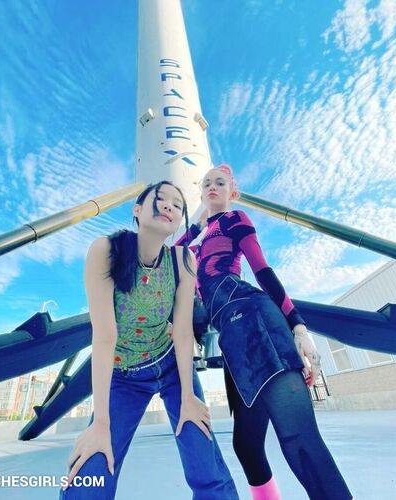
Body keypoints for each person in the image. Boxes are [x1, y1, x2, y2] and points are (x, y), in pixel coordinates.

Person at [176, 165, 353, 500]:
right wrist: (198, 221)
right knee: (246, 445)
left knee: (298, 438)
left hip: (254, 319)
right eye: (207, 183)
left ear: (233, 192)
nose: (212, 187)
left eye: (220, 183)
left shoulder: (235, 219)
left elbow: (263, 271)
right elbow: (171, 252)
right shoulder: (196, 242)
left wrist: (298, 326)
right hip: (231, 337)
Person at [60, 180, 239, 499]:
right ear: (138, 209)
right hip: (123, 375)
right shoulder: (106, 251)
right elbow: (104, 336)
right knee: (91, 470)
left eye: (178, 205)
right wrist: (100, 423)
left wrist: (188, 397)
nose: (170, 205)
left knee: (205, 463)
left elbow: (182, 332)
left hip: (172, 365)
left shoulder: (183, 260)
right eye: (161, 198)